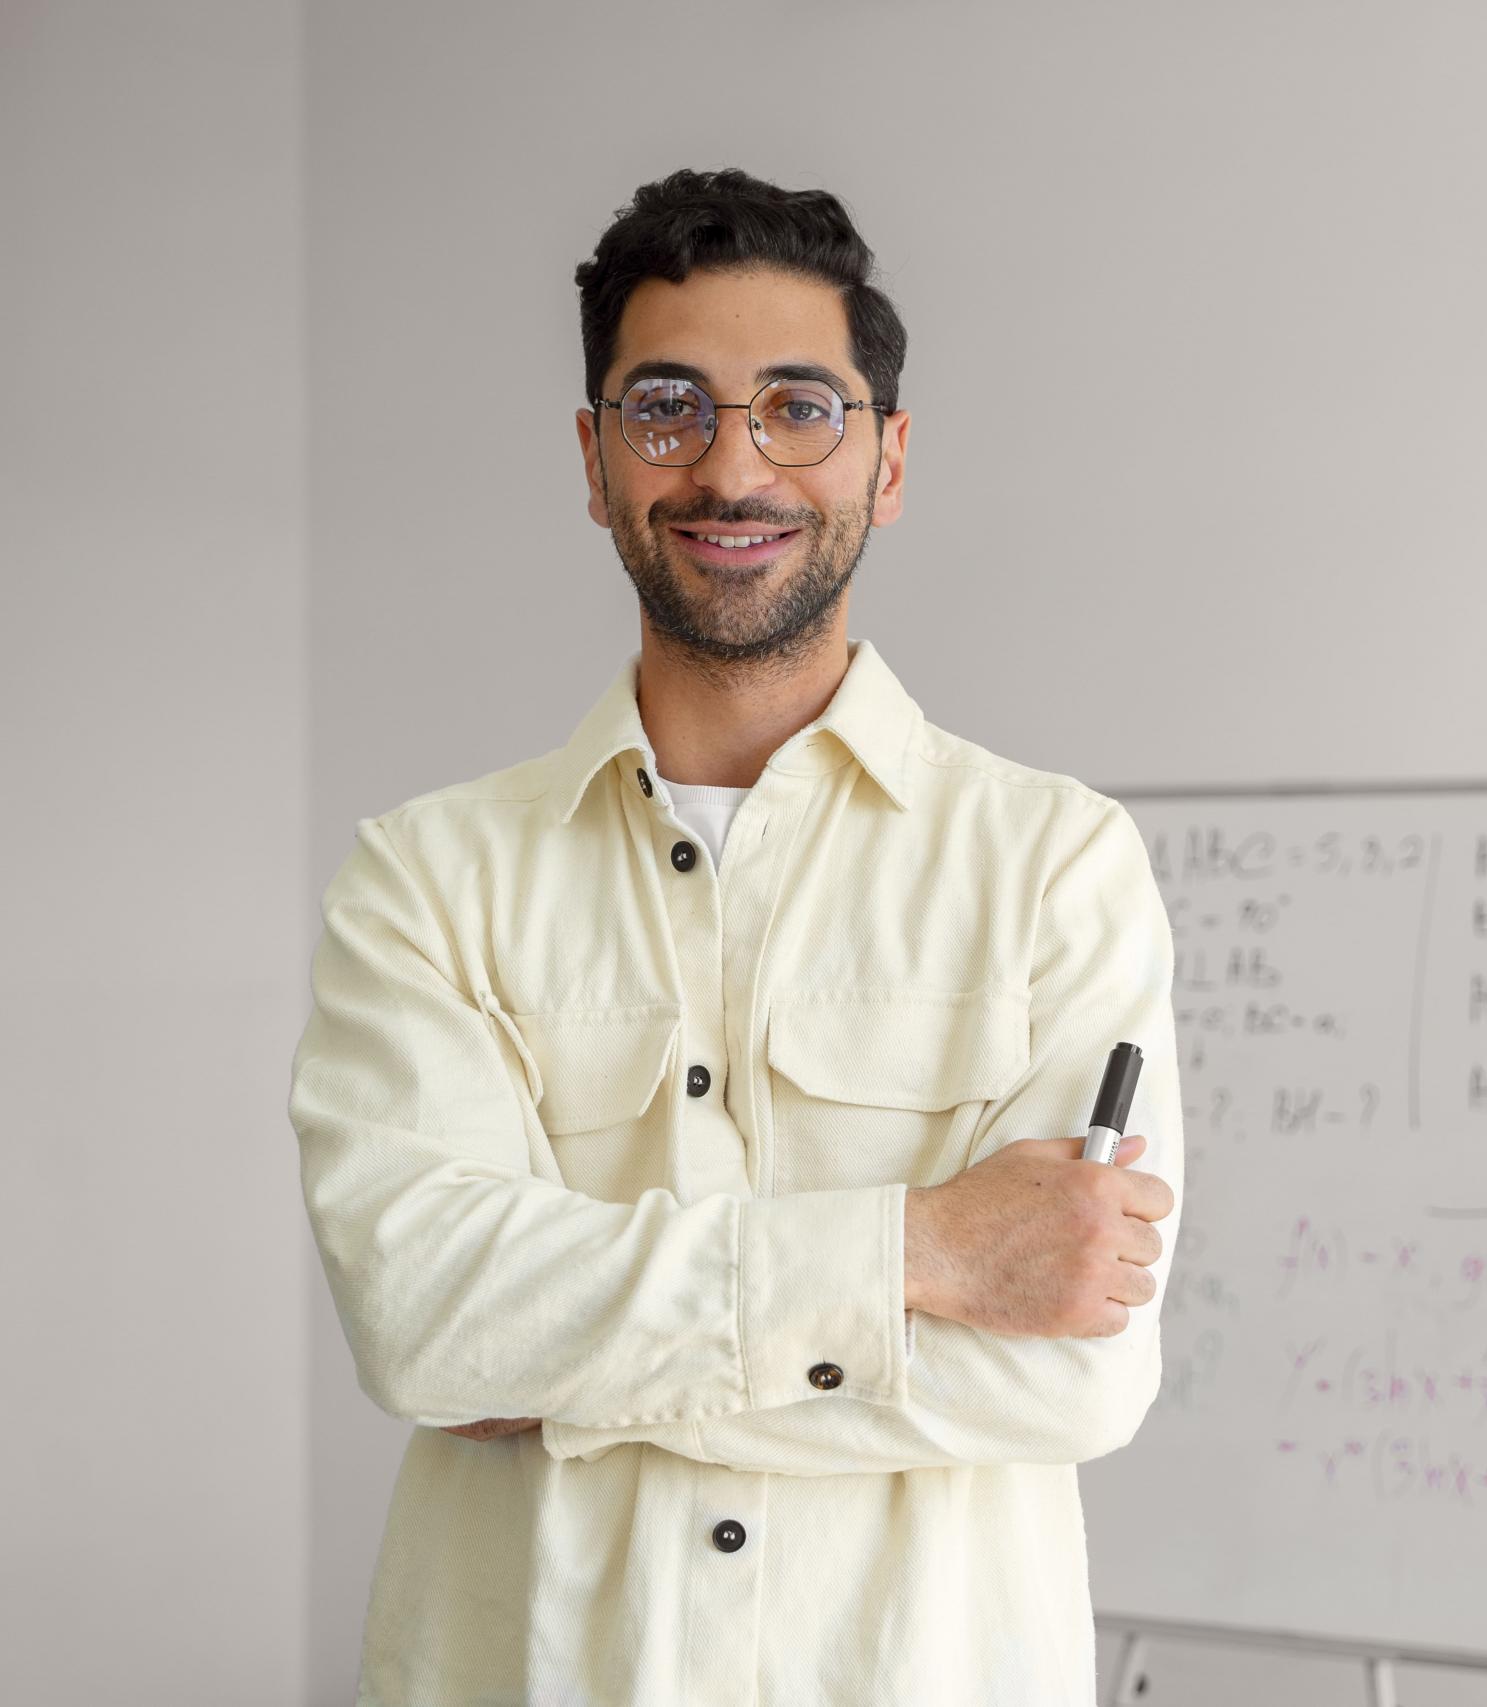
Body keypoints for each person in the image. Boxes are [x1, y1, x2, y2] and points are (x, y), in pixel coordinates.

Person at [287, 166, 1182, 1706]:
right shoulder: (426, 879)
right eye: (667, 407)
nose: (731, 464)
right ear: (595, 458)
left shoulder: (1054, 865)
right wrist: (925, 1253)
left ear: (888, 460)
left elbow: (1076, 1373)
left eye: (799, 407)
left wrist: (564, 1361)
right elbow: (425, 1326)